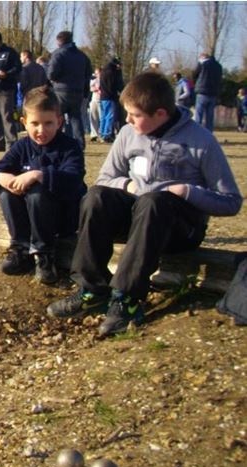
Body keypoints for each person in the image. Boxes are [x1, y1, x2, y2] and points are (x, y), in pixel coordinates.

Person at [47, 72, 243, 337]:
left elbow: (231, 202)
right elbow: (105, 178)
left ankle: (127, 299)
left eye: (134, 115)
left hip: (178, 229)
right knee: (96, 196)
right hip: (138, 219)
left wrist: (186, 191)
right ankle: (91, 287)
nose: (127, 120)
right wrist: (129, 186)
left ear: (160, 114)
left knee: (154, 201)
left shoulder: (201, 141)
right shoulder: (128, 134)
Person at [0, 86, 86, 284]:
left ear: (59, 121)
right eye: (35, 123)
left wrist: (39, 175)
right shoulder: (21, 146)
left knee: (38, 192)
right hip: (31, 218)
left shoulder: (70, 147)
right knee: (7, 191)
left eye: (48, 123)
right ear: (24, 123)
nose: (41, 130)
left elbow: (74, 180)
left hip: (63, 218)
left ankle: (44, 255)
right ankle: (21, 250)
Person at [47, 31, 92, 149]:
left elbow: (51, 73)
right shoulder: (82, 56)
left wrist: (54, 79)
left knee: (57, 117)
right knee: (76, 118)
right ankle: (80, 144)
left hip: (61, 90)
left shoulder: (58, 54)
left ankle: (55, 142)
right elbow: (88, 74)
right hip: (78, 91)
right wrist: (85, 91)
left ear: (59, 41)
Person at [192, 52, 223, 132]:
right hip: (213, 93)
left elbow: (194, 74)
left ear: (203, 58)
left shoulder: (203, 64)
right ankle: (209, 134)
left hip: (202, 92)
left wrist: (195, 83)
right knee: (210, 117)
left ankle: (197, 133)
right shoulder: (219, 66)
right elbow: (219, 80)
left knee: (199, 115)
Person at [99, 57, 124, 143]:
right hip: (110, 97)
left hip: (103, 97)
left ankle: (101, 132)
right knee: (110, 116)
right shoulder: (113, 73)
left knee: (103, 116)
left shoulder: (103, 72)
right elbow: (116, 85)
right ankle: (107, 134)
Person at [88, 68, 101, 142]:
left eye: (98, 73)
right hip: (94, 99)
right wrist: (95, 88)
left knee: (101, 117)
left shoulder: (102, 79)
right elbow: (90, 88)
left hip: (100, 100)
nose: (96, 75)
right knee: (93, 117)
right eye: (95, 73)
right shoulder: (93, 79)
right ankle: (94, 134)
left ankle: (100, 133)